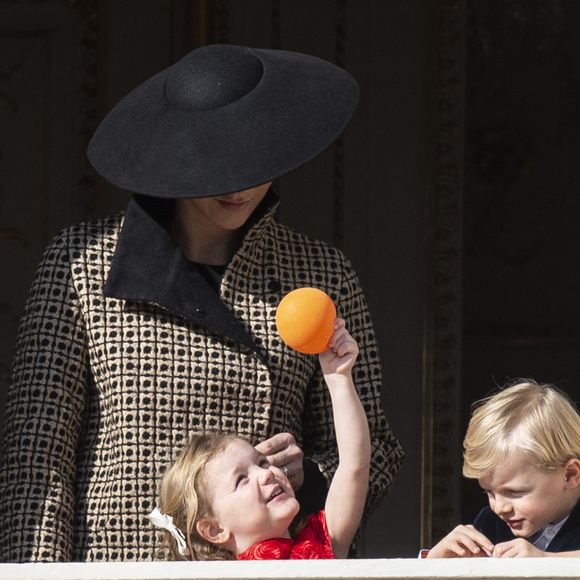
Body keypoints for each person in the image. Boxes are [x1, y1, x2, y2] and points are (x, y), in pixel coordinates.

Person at [0, 44, 403, 562]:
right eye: (215, 161)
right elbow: (37, 459)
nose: (238, 184)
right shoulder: (81, 264)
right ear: (174, 153)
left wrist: (308, 477)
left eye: (254, 160)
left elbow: (378, 455)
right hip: (115, 572)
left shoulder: (320, 274)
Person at [149, 318, 368, 560]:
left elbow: (353, 467)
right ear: (214, 529)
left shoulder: (322, 541)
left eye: (262, 462)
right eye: (241, 480)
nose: (266, 473)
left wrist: (339, 379)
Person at [426, 380, 580, 558]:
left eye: (514, 492)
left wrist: (546, 560)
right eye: (489, 492)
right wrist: (436, 563)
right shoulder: (491, 524)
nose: (499, 507)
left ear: (570, 475)